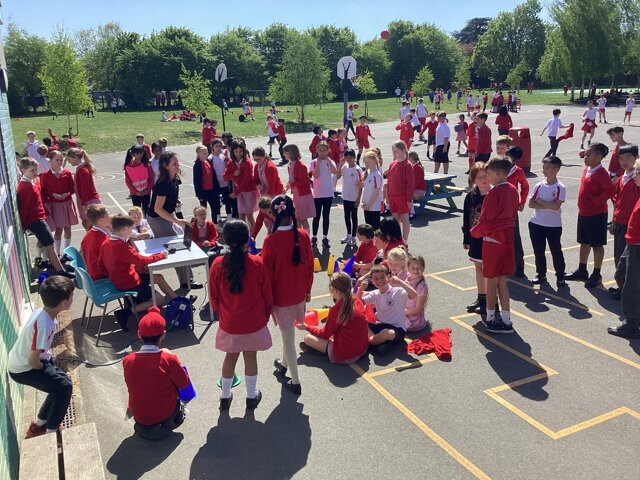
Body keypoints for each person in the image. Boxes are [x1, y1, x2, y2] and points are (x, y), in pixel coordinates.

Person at [210, 220, 273, 410]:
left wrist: (222, 313)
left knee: (230, 357)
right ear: (247, 239)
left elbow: (214, 298)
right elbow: (267, 295)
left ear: (225, 240)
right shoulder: (258, 263)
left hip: (230, 322)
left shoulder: (218, 264)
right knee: (251, 357)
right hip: (254, 321)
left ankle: (225, 396)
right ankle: (251, 396)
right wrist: (266, 314)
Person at [8, 276, 75, 438]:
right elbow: (33, 360)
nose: (73, 298)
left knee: (60, 383)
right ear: (64, 303)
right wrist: (44, 367)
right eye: (72, 296)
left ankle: (39, 425)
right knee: (64, 387)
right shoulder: (44, 324)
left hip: (27, 362)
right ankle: (51, 433)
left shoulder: (42, 313)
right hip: (24, 368)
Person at [261, 195, 313, 394]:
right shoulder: (302, 235)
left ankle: (296, 381)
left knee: (288, 338)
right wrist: (308, 290)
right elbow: (309, 266)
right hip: (299, 292)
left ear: (274, 215)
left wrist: (266, 299)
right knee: (288, 334)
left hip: (280, 296)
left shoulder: (271, 240)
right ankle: (284, 365)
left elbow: (266, 274)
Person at [99, 214, 179, 330]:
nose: (132, 232)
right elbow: (142, 261)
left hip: (121, 278)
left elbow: (100, 263)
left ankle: (178, 300)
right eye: (131, 229)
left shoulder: (106, 242)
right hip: (129, 282)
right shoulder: (122, 246)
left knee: (159, 278)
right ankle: (126, 312)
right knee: (160, 300)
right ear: (125, 229)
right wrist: (162, 255)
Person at [122, 306, 190, 440]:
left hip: (139, 415)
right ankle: (176, 415)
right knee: (179, 378)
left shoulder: (127, 360)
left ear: (139, 334)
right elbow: (184, 383)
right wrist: (173, 358)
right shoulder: (168, 359)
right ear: (163, 334)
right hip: (163, 414)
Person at [470, 156, 520, 334]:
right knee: (502, 281)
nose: (487, 176)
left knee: (491, 280)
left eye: (489, 173)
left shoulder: (493, 193)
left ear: (498, 173)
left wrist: (474, 232)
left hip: (493, 241)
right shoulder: (513, 189)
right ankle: (506, 319)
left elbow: (485, 221)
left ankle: (490, 317)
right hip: (507, 239)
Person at [146, 151, 200, 290]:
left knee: (179, 245)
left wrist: (175, 201)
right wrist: (177, 221)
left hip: (165, 215)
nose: (178, 165)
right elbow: (158, 209)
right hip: (157, 219)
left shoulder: (174, 179)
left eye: (177, 162)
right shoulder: (163, 184)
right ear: (166, 166)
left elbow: (167, 200)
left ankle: (187, 280)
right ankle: (186, 282)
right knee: (176, 247)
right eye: (174, 163)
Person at [565, 143, 615, 288]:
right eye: (585, 154)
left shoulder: (601, 173)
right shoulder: (587, 169)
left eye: (588, 155)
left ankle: (596, 274)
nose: (585, 157)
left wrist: (596, 201)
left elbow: (610, 190)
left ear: (599, 157)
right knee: (584, 242)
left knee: (597, 244)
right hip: (584, 213)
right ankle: (582, 270)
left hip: (596, 214)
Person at [17, 158, 72, 278]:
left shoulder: (33, 182)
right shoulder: (25, 186)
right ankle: (60, 271)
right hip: (35, 220)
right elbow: (24, 208)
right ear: (23, 171)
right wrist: (23, 226)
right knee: (49, 244)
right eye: (32, 170)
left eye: (36, 170)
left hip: (40, 217)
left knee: (47, 243)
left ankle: (54, 265)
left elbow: (38, 200)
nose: (35, 173)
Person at [297, 271, 369, 362]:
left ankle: (323, 352)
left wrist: (306, 327)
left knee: (308, 338)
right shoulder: (357, 300)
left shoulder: (337, 310)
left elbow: (324, 334)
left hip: (345, 354)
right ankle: (323, 349)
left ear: (335, 290)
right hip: (362, 349)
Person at [608, 158, 640, 338]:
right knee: (620, 275)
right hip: (631, 243)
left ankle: (631, 325)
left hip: (637, 247)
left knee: (631, 287)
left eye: (638, 172)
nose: (634, 175)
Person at [357, 264, 417, 355]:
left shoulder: (398, 291)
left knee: (386, 333)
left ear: (388, 277)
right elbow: (358, 303)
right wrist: (361, 289)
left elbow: (414, 294)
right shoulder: (375, 293)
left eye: (382, 277)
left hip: (397, 329)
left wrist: (399, 281)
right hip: (382, 325)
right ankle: (382, 343)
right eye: (376, 279)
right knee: (361, 324)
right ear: (372, 281)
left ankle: (372, 341)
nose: (380, 280)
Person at [528, 156, 567, 286]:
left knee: (556, 251)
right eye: (543, 167)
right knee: (538, 251)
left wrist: (539, 201)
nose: (544, 170)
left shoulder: (560, 187)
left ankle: (560, 276)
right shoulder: (539, 185)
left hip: (553, 226)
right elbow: (531, 204)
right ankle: (541, 274)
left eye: (547, 167)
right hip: (536, 223)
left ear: (556, 169)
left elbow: (556, 207)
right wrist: (548, 205)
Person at [463, 162, 490, 315]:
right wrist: (466, 238)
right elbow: (467, 218)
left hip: (490, 238)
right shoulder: (471, 196)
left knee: (489, 270)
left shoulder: (493, 194)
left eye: (485, 176)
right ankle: (481, 298)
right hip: (475, 237)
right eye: (479, 177)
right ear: (474, 180)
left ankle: (491, 301)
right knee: (479, 268)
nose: (483, 179)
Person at [40, 150, 78, 256]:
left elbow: (72, 188)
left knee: (68, 228)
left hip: (67, 204)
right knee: (58, 230)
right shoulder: (45, 175)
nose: (60, 162)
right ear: (50, 161)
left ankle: (66, 253)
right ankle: (58, 254)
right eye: (57, 160)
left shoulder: (67, 173)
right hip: (55, 205)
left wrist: (67, 193)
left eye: (61, 160)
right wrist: (52, 194)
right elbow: (44, 190)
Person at [224, 141, 259, 234]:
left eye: (240, 151)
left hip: (248, 191)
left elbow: (246, 181)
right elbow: (225, 176)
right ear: (233, 151)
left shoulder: (247, 162)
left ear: (244, 151)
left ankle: (252, 237)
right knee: (241, 215)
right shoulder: (232, 161)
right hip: (240, 192)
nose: (238, 154)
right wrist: (233, 174)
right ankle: (243, 236)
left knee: (249, 216)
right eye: (236, 151)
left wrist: (236, 192)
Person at [505, 145, 529, 277]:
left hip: (511, 209)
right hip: (498, 207)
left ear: (515, 160)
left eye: (508, 157)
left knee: (515, 237)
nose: (505, 158)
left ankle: (519, 266)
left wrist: (522, 202)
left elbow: (525, 186)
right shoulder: (499, 167)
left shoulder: (518, 171)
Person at [65, 148, 101, 231]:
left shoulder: (83, 170)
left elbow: (85, 189)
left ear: (75, 157)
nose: (68, 162)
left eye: (69, 159)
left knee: (89, 224)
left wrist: (84, 204)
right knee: (87, 223)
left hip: (89, 201)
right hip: (85, 200)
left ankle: (94, 238)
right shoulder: (80, 169)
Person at [310, 142, 337, 247]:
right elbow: (316, 175)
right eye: (320, 150)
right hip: (317, 194)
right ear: (317, 150)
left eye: (324, 150)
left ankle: (325, 237)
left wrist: (328, 160)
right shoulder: (313, 162)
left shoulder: (330, 161)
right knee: (316, 216)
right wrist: (318, 162)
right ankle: (314, 236)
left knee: (326, 216)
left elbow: (335, 171)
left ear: (328, 151)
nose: (322, 152)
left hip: (328, 194)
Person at [386, 140, 415, 242]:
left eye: (396, 151)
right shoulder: (392, 164)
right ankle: (398, 239)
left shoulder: (407, 165)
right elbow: (389, 181)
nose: (394, 153)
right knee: (395, 220)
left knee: (404, 219)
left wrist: (409, 199)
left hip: (402, 197)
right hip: (393, 196)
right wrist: (388, 195)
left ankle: (404, 241)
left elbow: (410, 184)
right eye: (393, 151)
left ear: (403, 150)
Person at [283, 144, 315, 232]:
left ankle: (306, 237)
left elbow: (304, 181)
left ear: (290, 153)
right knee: (297, 219)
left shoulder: (300, 165)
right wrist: (286, 188)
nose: (283, 154)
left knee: (303, 219)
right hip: (296, 195)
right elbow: (291, 180)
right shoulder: (290, 165)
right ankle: (299, 236)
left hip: (303, 195)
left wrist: (292, 185)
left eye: (285, 153)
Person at [338, 150, 363, 245]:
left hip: (354, 198)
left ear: (354, 158)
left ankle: (353, 237)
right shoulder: (344, 167)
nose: (349, 159)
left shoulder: (358, 169)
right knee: (347, 217)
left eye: (351, 157)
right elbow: (337, 176)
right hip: (346, 197)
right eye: (347, 157)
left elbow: (361, 185)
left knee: (354, 217)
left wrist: (358, 199)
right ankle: (348, 235)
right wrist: (340, 164)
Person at [81, 205, 111, 280]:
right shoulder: (102, 239)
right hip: (100, 275)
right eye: (107, 215)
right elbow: (110, 260)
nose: (109, 217)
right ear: (100, 220)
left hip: (91, 271)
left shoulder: (88, 234)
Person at [123, 145, 154, 215]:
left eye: (141, 153)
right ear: (133, 154)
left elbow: (151, 179)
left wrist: (147, 190)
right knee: (137, 211)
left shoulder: (147, 165)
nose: (140, 155)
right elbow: (128, 181)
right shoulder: (129, 167)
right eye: (137, 153)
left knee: (147, 210)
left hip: (146, 192)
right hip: (135, 193)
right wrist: (136, 192)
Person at [193, 145, 221, 218]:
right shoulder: (197, 165)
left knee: (216, 208)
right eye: (203, 153)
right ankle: (202, 223)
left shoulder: (208, 161)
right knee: (203, 210)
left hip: (212, 190)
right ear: (198, 154)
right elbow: (196, 181)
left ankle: (216, 222)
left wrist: (217, 189)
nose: (206, 154)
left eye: (206, 152)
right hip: (203, 192)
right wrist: (199, 195)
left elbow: (213, 176)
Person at [361, 149, 383, 231]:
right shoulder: (369, 173)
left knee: (374, 229)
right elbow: (366, 190)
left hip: (374, 207)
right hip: (367, 206)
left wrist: (368, 205)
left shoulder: (376, 175)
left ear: (375, 161)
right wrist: (363, 202)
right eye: (365, 162)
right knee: (368, 230)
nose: (367, 164)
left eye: (369, 162)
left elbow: (376, 192)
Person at [405, 255, 428, 332]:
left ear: (423, 268)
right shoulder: (408, 278)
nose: (416, 270)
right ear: (408, 268)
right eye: (413, 268)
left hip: (413, 322)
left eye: (419, 268)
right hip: (404, 314)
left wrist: (400, 312)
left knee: (386, 319)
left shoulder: (421, 286)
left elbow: (417, 310)